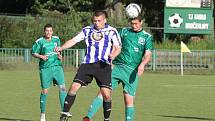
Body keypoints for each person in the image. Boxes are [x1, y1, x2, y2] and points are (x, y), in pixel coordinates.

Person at [82, 15, 153, 121]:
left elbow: (148, 54)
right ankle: (88, 117)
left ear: (141, 22)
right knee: (103, 92)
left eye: (136, 23)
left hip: (131, 71)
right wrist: (111, 58)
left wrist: (142, 64)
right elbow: (114, 44)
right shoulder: (124, 31)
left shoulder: (147, 37)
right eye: (132, 23)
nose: (134, 26)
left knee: (128, 99)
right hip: (116, 67)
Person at [55, 10, 121, 121]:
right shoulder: (87, 30)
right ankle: (64, 114)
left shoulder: (112, 31)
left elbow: (118, 47)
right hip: (87, 64)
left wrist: (113, 55)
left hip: (103, 66)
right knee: (74, 87)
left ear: (105, 20)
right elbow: (73, 40)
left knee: (106, 95)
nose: (96, 23)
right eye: (95, 21)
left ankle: (106, 119)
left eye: (99, 21)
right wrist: (61, 48)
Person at [31, 24, 68, 121]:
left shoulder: (56, 39)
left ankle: (64, 112)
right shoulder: (39, 41)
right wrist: (41, 56)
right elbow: (33, 52)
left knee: (63, 88)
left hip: (57, 67)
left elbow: (58, 51)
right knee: (45, 91)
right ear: (44, 31)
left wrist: (60, 56)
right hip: (45, 68)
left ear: (52, 31)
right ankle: (43, 114)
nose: (48, 32)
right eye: (47, 31)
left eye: (50, 30)